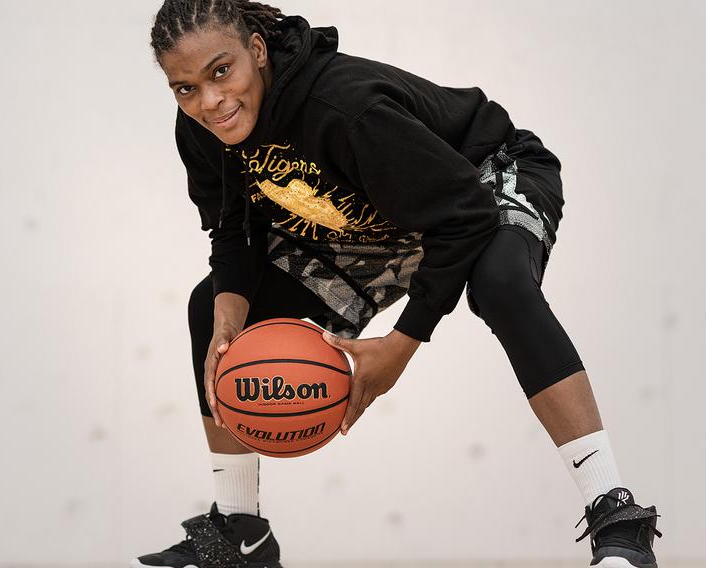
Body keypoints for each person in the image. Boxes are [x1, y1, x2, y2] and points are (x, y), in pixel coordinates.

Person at [134, 1, 663, 567]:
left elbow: (464, 217)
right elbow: (233, 233)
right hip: (373, 219)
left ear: (257, 52)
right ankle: (241, 533)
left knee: (501, 283)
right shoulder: (203, 133)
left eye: (220, 71)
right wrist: (228, 324)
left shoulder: (343, 108)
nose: (210, 101)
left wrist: (402, 343)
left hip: (477, 178)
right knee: (207, 305)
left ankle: (619, 518)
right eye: (184, 89)